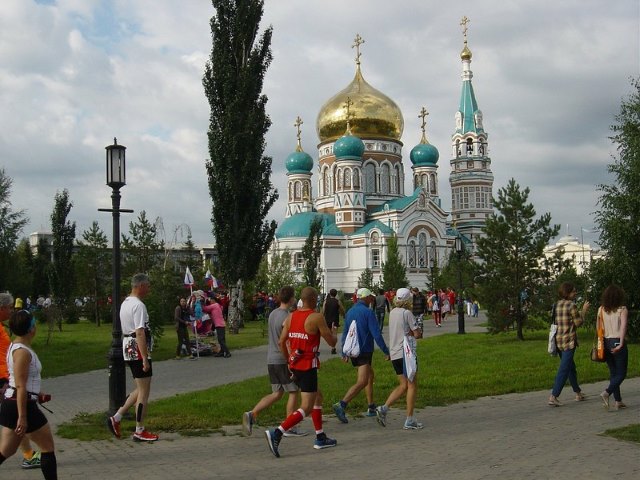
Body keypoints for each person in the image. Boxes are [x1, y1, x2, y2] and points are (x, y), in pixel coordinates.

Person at [264, 286, 338, 457]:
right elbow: (332, 343)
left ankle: (320, 436)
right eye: (317, 298)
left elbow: (282, 341)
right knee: (306, 406)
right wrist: (334, 332)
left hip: (295, 365)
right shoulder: (316, 317)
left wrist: (289, 359)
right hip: (308, 366)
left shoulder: (291, 317)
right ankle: (277, 433)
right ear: (312, 299)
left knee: (317, 396)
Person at [0, 309, 57, 479]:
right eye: (34, 323)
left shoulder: (19, 347)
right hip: (21, 405)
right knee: (47, 447)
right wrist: (23, 417)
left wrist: (37, 393)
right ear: (31, 328)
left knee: (6, 451)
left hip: (15, 402)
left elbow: (22, 383)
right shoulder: (22, 352)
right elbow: (20, 385)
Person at [243, 286, 306, 437]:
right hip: (282, 359)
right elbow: (286, 341)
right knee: (293, 391)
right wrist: (291, 360)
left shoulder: (272, 314)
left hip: (271, 359)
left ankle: (253, 414)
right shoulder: (288, 317)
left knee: (277, 392)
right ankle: (289, 426)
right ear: (291, 299)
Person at [107, 273, 158, 442]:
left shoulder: (126, 303)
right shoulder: (138, 306)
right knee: (144, 391)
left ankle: (117, 417)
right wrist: (144, 357)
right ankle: (139, 429)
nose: (149, 289)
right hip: (137, 347)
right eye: (148, 286)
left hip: (127, 347)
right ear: (140, 286)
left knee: (141, 386)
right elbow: (140, 331)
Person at [333, 288, 390, 422]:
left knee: (370, 375)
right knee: (362, 381)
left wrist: (344, 351)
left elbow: (346, 333)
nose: (372, 300)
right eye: (370, 297)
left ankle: (371, 406)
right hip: (364, 350)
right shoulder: (368, 312)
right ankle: (341, 404)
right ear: (365, 298)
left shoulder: (350, 311)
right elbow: (376, 334)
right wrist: (386, 351)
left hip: (353, 349)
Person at [0, 293, 41, 470]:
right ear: (1, 309)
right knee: (15, 418)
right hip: (3, 380)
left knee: (12, 421)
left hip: (6, 378)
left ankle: (29, 455)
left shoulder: (1, 328)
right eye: (9, 308)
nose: (11, 311)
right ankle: (29, 455)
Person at [375, 288, 424, 429]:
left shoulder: (393, 313)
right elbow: (417, 334)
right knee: (412, 385)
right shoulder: (407, 313)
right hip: (406, 354)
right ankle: (409, 419)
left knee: (403, 385)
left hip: (395, 353)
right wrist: (417, 330)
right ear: (409, 300)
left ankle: (384, 408)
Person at [548, 282, 589, 407]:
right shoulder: (571, 305)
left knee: (571, 367)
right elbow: (578, 323)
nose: (575, 293)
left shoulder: (556, 305)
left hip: (558, 341)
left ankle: (578, 393)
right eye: (573, 291)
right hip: (569, 341)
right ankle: (554, 396)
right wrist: (584, 311)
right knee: (564, 368)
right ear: (567, 293)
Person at [598, 285, 629, 410]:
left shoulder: (601, 309)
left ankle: (618, 400)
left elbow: (599, 328)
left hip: (606, 341)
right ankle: (607, 392)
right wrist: (621, 343)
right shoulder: (622, 309)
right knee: (621, 373)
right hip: (617, 340)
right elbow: (623, 327)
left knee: (614, 372)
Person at [322, 289, 344, 354]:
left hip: (327, 320)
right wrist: (343, 314)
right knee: (334, 333)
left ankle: (331, 345)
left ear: (330, 293)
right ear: (336, 294)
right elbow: (342, 309)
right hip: (335, 320)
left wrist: (322, 316)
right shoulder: (337, 301)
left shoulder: (325, 301)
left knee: (329, 333)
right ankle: (333, 347)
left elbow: (323, 310)